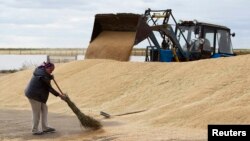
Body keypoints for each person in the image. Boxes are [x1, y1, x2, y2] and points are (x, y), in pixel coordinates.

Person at [25, 62, 65, 135]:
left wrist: (50, 77)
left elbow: (46, 78)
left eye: (52, 70)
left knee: (44, 109)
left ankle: (45, 127)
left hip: (39, 94)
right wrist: (59, 95)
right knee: (36, 112)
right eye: (51, 70)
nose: (51, 72)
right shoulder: (43, 75)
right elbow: (49, 88)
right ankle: (35, 130)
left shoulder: (42, 72)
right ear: (47, 68)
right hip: (34, 95)